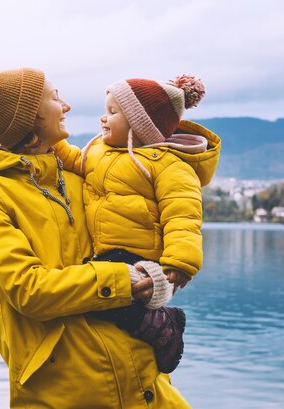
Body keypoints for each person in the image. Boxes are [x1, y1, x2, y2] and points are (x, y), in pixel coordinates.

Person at [0, 67, 193, 408]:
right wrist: (123, 279)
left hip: (142, 379)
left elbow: (141, 231)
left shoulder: (80, 178)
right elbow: (28, 290)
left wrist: (158, 276)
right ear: (32, 116)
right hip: (68, 392)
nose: (65, 106)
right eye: (55, 97)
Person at [53, 75, 221, 373]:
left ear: (139, 124)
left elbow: (183, 216)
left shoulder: (169, 165)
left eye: (113, 112)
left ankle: (163, 327)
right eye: (105, 110)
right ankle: (156, 324)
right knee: (99, 296)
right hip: (106, 252)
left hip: (140, 255)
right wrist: (51, 143)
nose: (103, 118)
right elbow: (72, 160)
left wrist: (181, 261)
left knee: (106, 297)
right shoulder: (98, 153)